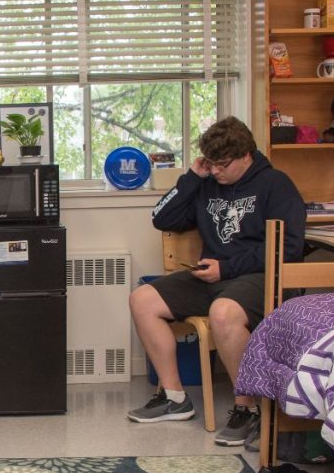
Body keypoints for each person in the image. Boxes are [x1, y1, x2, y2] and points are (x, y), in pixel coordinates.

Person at [127, 116, 306, 447]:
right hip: (212, 277)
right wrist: (193, 177)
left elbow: (289, 248)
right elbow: (161, 218)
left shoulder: (276, 184)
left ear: (246, 155)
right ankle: (174, 397)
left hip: (258, 277)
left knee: (223, 313)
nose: (217, 171)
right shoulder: (206, 183)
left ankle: (246, 408)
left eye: (222, 164)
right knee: (142, 300)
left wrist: (227, 268)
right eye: (210, 163)